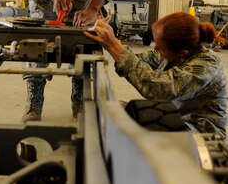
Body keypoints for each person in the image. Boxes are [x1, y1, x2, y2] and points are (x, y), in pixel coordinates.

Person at [84, 12, 228, 137]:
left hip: (203, 133)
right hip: (177, 117)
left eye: (160, 46)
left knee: (136, 129)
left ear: (182, 52)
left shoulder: (207, 64)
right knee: (115, 112)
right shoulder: (173, 53)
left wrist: (114, 45)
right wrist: (111, 40)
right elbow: (136, 60)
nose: (156, 49)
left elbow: (160, 89)